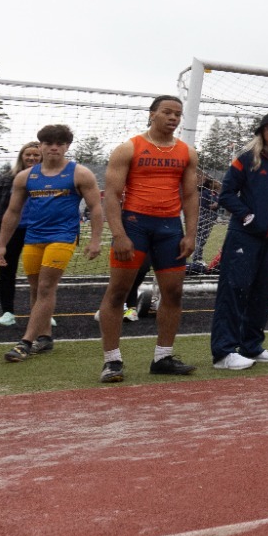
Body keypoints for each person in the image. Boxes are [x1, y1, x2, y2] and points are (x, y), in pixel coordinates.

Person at [94, 96, 201, 382]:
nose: (173, 118)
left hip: (169, 229)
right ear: (152, 114)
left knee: (174, 293)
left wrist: (190, 234)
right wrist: (118, 234)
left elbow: (190, 196)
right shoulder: (129, 148)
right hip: (135, 225)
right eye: (167, 112)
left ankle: (163, 356)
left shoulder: (187, 152)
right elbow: (112, 195)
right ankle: (112, 360)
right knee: (117, 293)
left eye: (178, 114)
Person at [0, 126, 105, 362]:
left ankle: (25, 342)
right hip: (33, 238)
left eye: (60, 143)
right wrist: (2, 245)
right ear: (41, 146)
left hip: (63, 237)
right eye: (49, 143)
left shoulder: (80, 174)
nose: (54, 147)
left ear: (67, 146)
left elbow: (96, 208)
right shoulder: (25, 177)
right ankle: (45, 337)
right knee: (35, 289)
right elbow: (12, 212)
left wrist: (95, 240)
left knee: (45, 288)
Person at [209, 112, 268, 369]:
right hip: (244, 236)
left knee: (263, 294)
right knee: (234, 291)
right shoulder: (246, 158)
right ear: (262, 131)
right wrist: (247, 216)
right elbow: (226, 193)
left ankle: (251, 346)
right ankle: (223, 352)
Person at [0, 143, 42, 327]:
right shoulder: (8, 178)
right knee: (7, 271)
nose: (32, 158)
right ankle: (7, 313)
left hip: (38, 228)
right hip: (11, 230)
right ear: (21, 156)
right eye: (28, 154)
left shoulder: (51, 178)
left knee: (42, 273)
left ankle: (42, 312)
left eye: (36, 155)